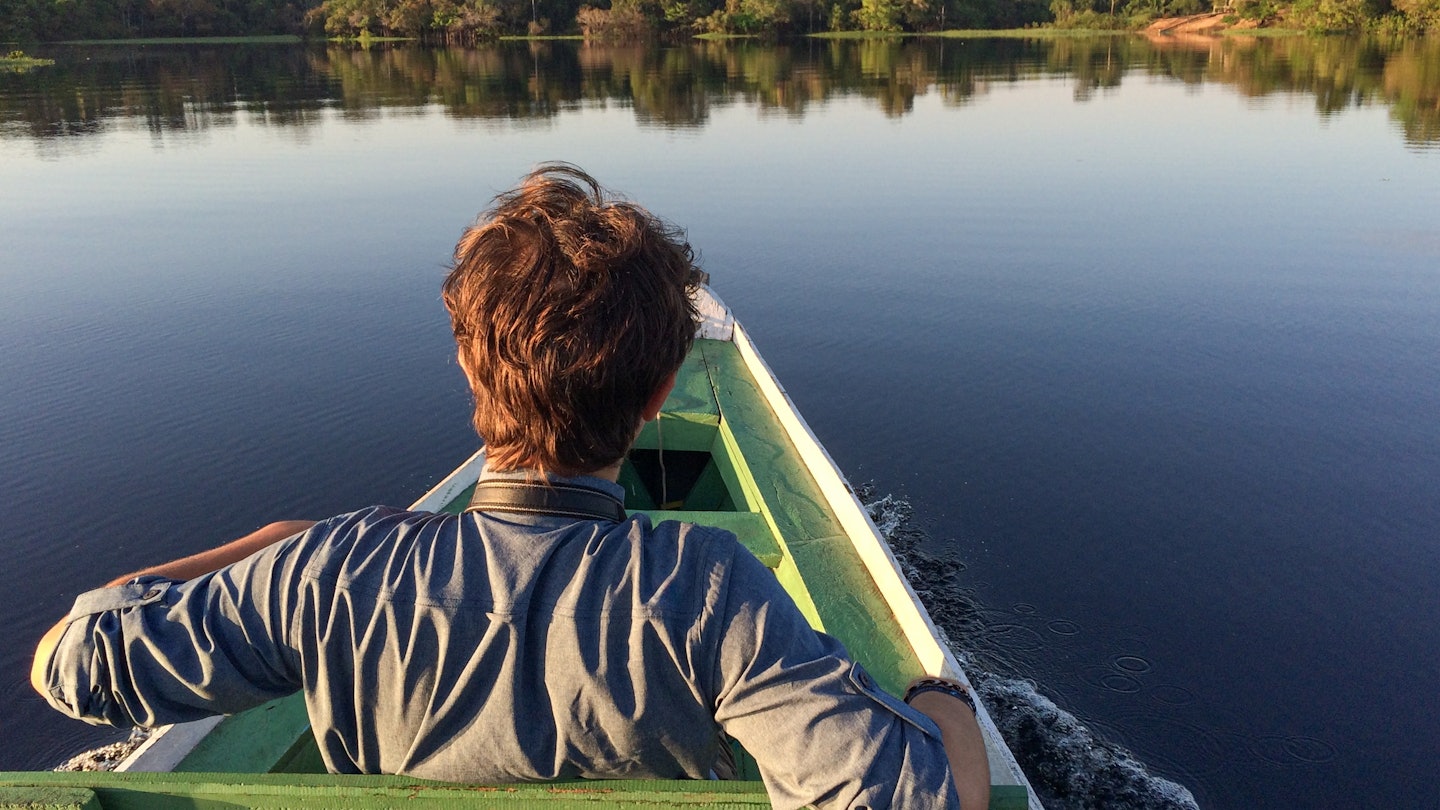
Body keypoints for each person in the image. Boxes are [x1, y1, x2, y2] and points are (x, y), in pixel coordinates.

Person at [32, 164, 989, 809]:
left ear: (467, 365)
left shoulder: (323, 572)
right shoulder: (707, 589)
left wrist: (275, 543)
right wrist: (941, 694)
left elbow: (71, 661)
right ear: (661, 394)